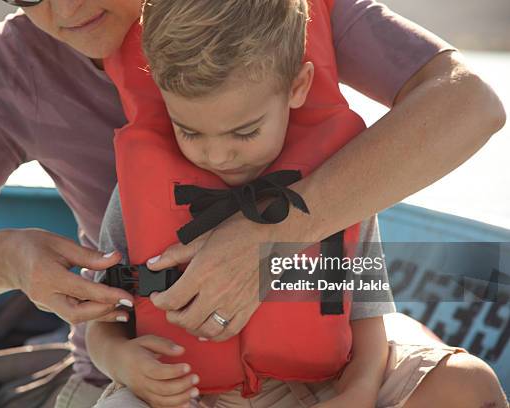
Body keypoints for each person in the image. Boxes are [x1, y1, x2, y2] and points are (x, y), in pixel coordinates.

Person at [0, 0, 505, 407]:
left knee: (461, 390)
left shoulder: (274, 12)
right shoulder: (7, 69)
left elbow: (470, 103)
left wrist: (274, 234)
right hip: (154, 370)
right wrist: (7, 261)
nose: (63, 10)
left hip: (318, 334)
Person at [77, 1, 469, 407]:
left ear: (298, 86)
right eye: (189, 131)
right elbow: (105, 316)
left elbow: (367, 315)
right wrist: (121, 362)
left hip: (318, 386)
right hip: (181, 395)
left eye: (244, 132)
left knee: (469, 385)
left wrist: (359, 390)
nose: (217, 155)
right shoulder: (137, 193)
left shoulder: (339, 182)